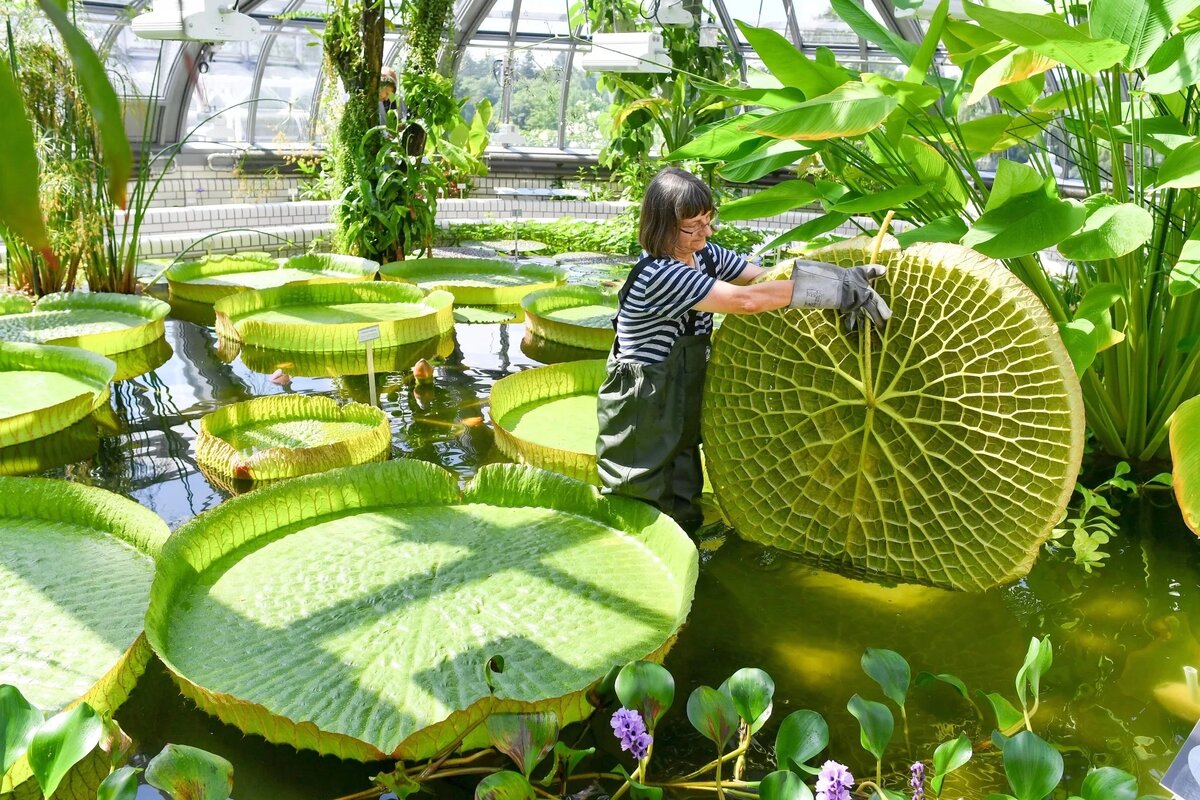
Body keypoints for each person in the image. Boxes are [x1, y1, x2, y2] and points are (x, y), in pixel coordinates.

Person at [595, 167, 891, 530]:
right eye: (694, 226)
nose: (706, 232)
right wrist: (837, 291)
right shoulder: (660, 274)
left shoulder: (704, 255)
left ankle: (687, 552)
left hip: (680, 392)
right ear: (663, 225)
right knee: (639, 491)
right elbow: (746, 300)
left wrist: (837, 277)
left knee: (684, 480)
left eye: (708, 220)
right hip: (642, 400)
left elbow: (764, 278)